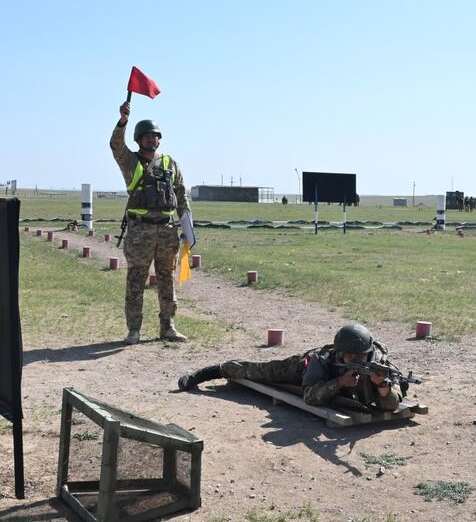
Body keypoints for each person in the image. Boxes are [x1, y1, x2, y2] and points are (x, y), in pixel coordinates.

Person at [110, 101, 191, 345]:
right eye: (147, 136)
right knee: (136, 279)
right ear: (138, 139)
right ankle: (134, 330)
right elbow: (115, 145)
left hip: (166, 230)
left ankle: (168, 327)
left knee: (166, 278)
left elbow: (182, 196)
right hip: (140, 231)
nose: (152, 140)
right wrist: (122, 121)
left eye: (155, 136)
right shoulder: (130, 161)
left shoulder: (170, 164)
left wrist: (188, 229)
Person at [178, 324, 403, 411]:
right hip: (299, 370)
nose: (355, 360)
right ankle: (210, 372)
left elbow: (392, 405)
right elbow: (310, 396)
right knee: (255, 371)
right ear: (340, 352)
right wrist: (339, 383)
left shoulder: (379, 365)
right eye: (349, 356)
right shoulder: (322, 360)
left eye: (360, 356)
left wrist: (382, 385)